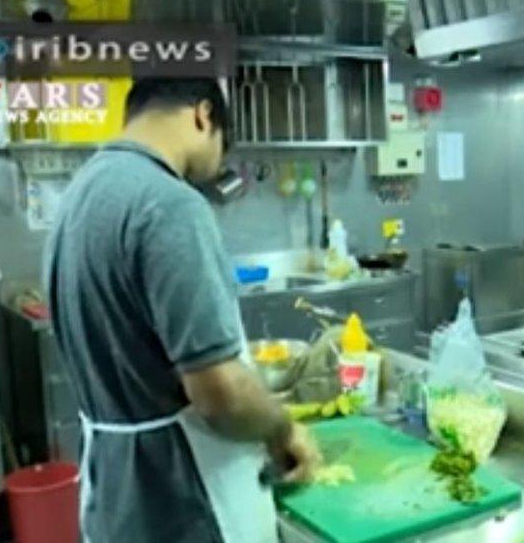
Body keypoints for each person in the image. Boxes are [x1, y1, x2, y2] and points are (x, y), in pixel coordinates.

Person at [43, 78, 320, 543]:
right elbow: (221, 395)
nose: (217, 166)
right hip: (182, 501)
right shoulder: (169, 204)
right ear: (202, 115)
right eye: (222, 147)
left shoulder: (80, 195)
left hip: (116, 500)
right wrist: (282, 428)